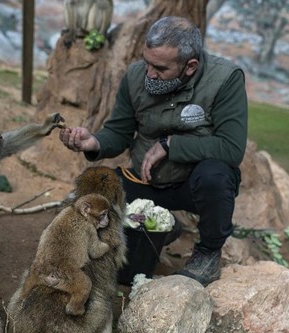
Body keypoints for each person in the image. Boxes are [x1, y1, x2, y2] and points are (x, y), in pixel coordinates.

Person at [58, 16, 247, 286]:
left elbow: (231, 148)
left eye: (160, 68)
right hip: (146, 182)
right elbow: (119, 132)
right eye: (147, 62)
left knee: (216, 175)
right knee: (96, 191)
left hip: (194, 186)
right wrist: (94, 142)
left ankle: (208, 253)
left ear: (190, 66)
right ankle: (166, 228)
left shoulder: (224, 79)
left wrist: (171, 146)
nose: (149, 73)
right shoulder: (136, 75)